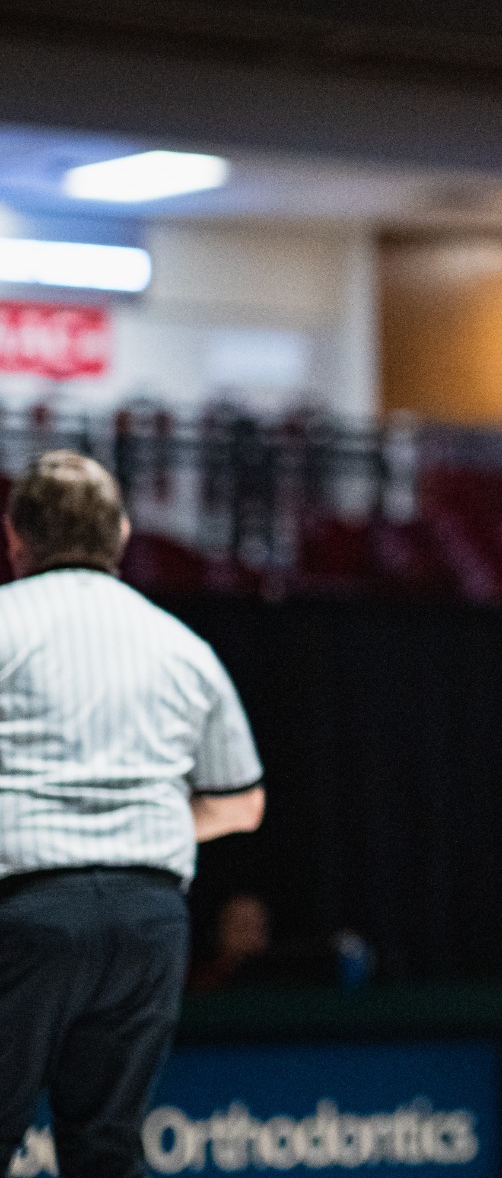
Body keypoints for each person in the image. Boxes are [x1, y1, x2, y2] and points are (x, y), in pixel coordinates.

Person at [0, 451, 265, 1178]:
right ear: (119, 533)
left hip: (25, 910)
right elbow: (242, 803)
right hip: (149, 920)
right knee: (107, 1150)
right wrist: (144, 824)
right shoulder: (183, 646)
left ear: (15, 536)